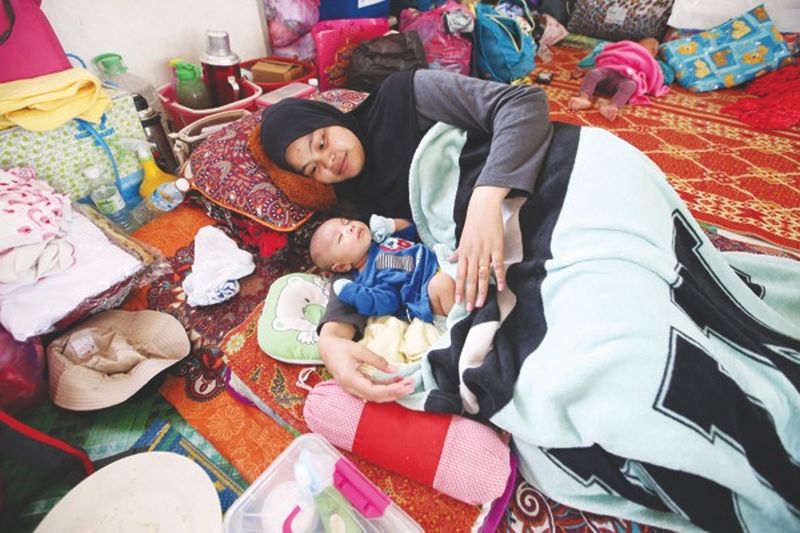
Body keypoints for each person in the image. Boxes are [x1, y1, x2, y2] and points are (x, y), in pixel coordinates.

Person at [259, 69, 553, 403]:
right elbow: (361, 267)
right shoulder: (352, 203)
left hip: (531, 182)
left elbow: (523, 102)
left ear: (327, 116)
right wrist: (331, 339)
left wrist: (485, 201)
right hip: (495, 253)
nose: (329, 160)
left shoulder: (406, 95)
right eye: (313, 169)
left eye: (322, 142)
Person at [309, 215, 455, 323]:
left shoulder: (382, 241)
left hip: (441, 263)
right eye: (341, 237)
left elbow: (412, 231)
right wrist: (352, 293)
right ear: (342, 266)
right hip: (426, 296)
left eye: (347, 222)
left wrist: (392, 225)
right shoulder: (368, 277)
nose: (350, 228)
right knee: (442, 284)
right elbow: (388, 303)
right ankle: (465, 322)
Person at [568, 38, 670, 121]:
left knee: (631, 85)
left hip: (624, 79)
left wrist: (654, 85)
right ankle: (583, 98)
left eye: (645, 48)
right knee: (593, 73)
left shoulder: (653, 63)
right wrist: (583, 70)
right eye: (639, 45)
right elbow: (602, 61)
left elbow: (658, 77)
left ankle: (612, 106)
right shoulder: (626, 49)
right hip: (608, 72)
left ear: (654, 53)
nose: (639, 49)